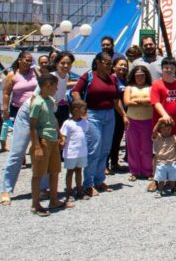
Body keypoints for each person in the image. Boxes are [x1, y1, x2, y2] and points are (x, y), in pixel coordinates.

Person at [72, 52, 121, 197]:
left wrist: (123, 115)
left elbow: (116, 99)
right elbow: (75, 92)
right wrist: (82, 109)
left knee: (105, 148)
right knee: (94, 148)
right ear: (98, 62)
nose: (109, 66)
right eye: (106, 63)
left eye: (110, 63)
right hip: (93, 115)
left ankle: (100, 180)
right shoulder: (88, 76)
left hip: (109, 114)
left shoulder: (112, 78)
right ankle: (88, 183)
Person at [150, 57, 176, 192]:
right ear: (162, 69)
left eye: (171, 68)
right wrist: (164, 115)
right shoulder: (156, 84)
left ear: (175, 69)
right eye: (166, 68)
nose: (169, 70)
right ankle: (156, 180)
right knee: (158, 155)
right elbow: (155, 102)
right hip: (162, 127)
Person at [29, 74, 66, 216]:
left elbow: (53, 119)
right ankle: (35, 204)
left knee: (55, 171)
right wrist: (37, 146)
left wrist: (60, 134)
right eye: (55, 86)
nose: (57, 88)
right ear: (47, 85)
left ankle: (53, 199)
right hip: (42, 140)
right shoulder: (37, 102)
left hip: (53, 140)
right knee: (38, 173)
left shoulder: (50, 101)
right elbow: (32, 126)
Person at [123, 65, 154, 181]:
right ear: (133, 76)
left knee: (147, 147)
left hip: (148, 121)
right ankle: (134, 171)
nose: (140, 78)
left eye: (142, 75)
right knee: (133, 147)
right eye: (137, 76)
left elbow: (153, 101)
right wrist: (144, 102)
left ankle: (148, 171)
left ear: (146, 76)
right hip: (132, 121)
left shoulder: (151, 87)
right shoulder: (129, 88)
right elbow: (127, 102)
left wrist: (138, 101)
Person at [60, 100, 89, 202]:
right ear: (76, 110)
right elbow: (63, 135)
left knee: (79, 171)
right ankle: (68, 192)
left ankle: (79, 190)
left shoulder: (84, 122)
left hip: (82, 151)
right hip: (71, 152)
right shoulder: (68, 123)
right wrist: (62, 141)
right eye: (83, 109)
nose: (85, 111)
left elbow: (86, 133)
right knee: (70, 171)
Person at [2, 51, 38, 127]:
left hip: (34, 109)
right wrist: (5, 110)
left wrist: (35, 67)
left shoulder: (35, 72)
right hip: (17, 109)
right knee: (19, 133)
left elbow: (43, 82)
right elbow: (6, 93)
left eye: (31, 61)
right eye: (27, 60)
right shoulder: (12, 74)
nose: (29, 63)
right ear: (19, 60)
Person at [108, 57, 130, 174]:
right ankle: (105, 165)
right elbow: (114, 99)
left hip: (123, 114)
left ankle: (115, 162)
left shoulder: (126, 80)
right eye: (120, 65)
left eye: (125, 65)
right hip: (114, 112)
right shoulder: (112, 79)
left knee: (117, 139)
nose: (123, 67)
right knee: (109, 139)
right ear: (114, 66)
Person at [152, 120, 176, 197]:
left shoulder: (174, 138)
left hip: (172, 162)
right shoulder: (158, 137)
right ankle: (159, 190)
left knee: (172, 179)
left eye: (168, 129)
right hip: (161, 162)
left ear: (171, 129)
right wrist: (159, 122)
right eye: (164, 129)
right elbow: (154, 131)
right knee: (161, 179)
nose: (166, 131)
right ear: (160, 129)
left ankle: (173, 189)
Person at [51, 51, 75, 126]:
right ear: (56, 64)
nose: (66, 66)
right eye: (62, 63)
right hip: (49, 110)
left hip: (60, 108)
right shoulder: (51, 77)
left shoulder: (67, 76)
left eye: (68, 63)